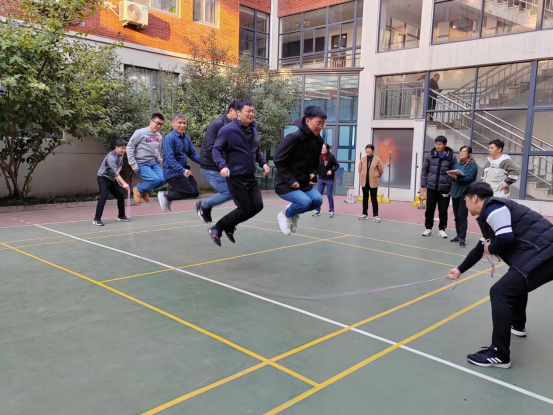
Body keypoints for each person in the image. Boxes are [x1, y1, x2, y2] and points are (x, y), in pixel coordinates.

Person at [446, 182, 553, 369]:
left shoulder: (494, 208)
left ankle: (499, 354)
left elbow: (505, 238)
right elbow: (481, 247)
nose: (465, 205)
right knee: (514, 286)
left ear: (474, 198)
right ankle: (518, 325)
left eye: (465, 200)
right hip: (543, 253)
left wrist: (492, 248)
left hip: (544, 254)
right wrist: (460, 269)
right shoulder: (492, 213)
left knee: (500, 292)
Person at [209, 99, 270, 246]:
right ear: (238, 113)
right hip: (235, 176)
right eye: (248, 111)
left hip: (250, 175)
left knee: (258, 205)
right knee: (245, 208)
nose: (251, 114)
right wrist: (222, 166)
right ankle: (217, 227)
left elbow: (256, 150)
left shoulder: (253, 128)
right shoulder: (228, 130)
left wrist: (263, 163)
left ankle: (229, 225)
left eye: (253, 111)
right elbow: (216, 150)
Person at [274, 106, 326, 235]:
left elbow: (316, 162)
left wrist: (313, 173)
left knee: (317, 201)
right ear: (307, 121)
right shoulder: (293, 138)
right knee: (305, 202)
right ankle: (285, 215)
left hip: (303, 182)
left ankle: (293, 212)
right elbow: (278, 159)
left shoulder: (319, 141)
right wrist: (290, 180)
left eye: (323, 124)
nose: (320, 127)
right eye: (318, 123)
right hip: (285, 183)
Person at [195, 100, 238, 223]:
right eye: (239, 112)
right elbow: (211, 147)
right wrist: (222, 165)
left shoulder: (236, 126)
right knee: (229, 192)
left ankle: (206, 207)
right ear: (231, 110)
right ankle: (203, 205)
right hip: (211, 167)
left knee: (236, 191)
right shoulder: (217, 124)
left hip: (224, 167)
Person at [158, 114, 200, 212]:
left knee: (195, 193)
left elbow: (193, 154)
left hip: (183, 171)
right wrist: (182, 170)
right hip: (172, 172)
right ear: (173, 123)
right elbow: (170, 159)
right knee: (189, 192)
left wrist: (205, 162)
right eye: (180, 123)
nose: (182, 125)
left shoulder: (186, 138)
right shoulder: (169, 139)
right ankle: (166, 196)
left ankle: (170, 196)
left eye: (184, 123)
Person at [421, 136, 457, 238]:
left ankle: (442, 229)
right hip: (431, 187)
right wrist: (424, 184)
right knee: (429, 209)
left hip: (445, 188)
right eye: (436, 144)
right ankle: (428, 228)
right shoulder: (429, 156)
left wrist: (451, 187)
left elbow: (454, 174)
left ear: (445, 145)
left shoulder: (452, 157)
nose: (438, 146)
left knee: (443, 210)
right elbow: (424, 170)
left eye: (440, 144)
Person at [126, 113, 166, 205]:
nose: (159, 126)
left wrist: (159, 159)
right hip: (141, 164)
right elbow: (130, 147)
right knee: (155, 180)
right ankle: (138, 189)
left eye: (161, 124)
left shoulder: (159, 136)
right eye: (157, 123)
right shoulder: (140, 133)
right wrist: (133, 164)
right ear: (151, 121)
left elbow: (156, 150)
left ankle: (143, 190)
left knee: (164, 179)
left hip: (153, 163)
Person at [93, 139, 130, 226]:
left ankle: (121, 216)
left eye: (125, 148)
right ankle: (96, 219)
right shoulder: (111, 157)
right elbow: (114, 173)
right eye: (122, 148)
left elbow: (119, 166)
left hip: (112, 179)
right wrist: (124, 183)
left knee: (120, 195)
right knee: (104, 196)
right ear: (116, 147)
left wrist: (117, 173)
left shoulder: (121, 155)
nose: (123, 150)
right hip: (103, 178)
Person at [448, 146, 478, 248]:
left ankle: (462, 238)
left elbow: (469, 178)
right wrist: (452, 176)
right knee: (456, 216)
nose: (461, 153)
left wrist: (457, 177)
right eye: (460, 151)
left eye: (464, 151)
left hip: (465, 193)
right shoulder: (457, 164)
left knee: (462, 216)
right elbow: (454, 180)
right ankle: (458, 235)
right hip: (455, 192)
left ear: (469, 154)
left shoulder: (472, 165)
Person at [358, 144, 384, 222]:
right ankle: (364, 213)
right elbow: (359, 169)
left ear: (372, 150)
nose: (367, 150)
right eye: (366, 149)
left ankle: (375, 215)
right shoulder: (363, 159)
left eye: (369, 149)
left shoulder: (377, 159)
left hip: (373, 182)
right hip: (364, 182)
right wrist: (362, 175)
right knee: (365, 198)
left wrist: (376, 176)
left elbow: (381, 170)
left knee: (374, 198)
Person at [313, 143, 340, 218]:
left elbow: (337, 165)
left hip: (329, 179)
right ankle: (317, 210)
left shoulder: (331, 157)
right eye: (322, 148)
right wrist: (315, 173)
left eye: (324, 148)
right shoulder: (319, 156)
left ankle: (331, 211)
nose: (322, 149)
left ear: (327, 149)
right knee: (319, 195)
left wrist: (331, 170)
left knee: (329, 195)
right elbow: (317, 166)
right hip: (321, 178)